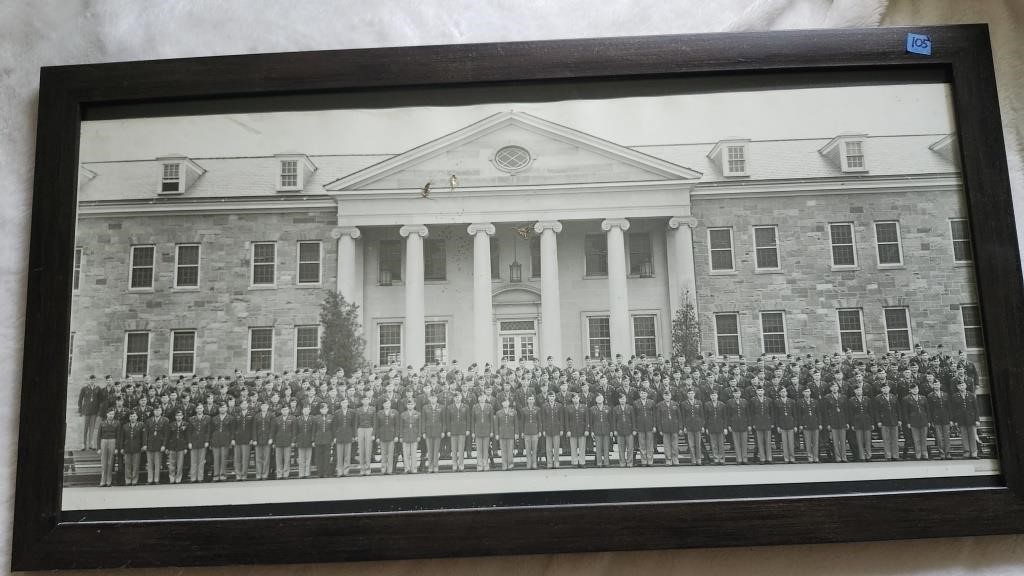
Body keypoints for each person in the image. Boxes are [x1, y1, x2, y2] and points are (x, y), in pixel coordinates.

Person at [951, 380, 980, 459]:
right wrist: (955, 421)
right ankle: (966, 453)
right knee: (964, 437)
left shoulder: (971, 395)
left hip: (971, 419)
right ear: (957, 387)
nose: (961, 387)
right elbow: (954, 410)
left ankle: (974, 453)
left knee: (972, 436)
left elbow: (976, 408)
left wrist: (977, 420)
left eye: (963, 385)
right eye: (960, 386)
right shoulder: (955, 396)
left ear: (966, 386)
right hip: (961, 419)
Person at [822, 382, 850, 463]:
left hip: (842, 421)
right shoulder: (827, 397)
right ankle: (838, 457)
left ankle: (844, 457)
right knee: (835, 441)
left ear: (838, 388)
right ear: (830, 388)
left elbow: (846, 410)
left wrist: (847, 422)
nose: (834, 388)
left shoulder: (843, 397)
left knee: (843, 441)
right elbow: (825, 412)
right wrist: (828, 424)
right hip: (833, 421)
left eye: (836, 386)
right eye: (833, 387)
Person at [874, 381, 902, 461]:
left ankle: (895, 455)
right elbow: (876, 411)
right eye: (883, 388)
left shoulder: (893, 397)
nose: (885, 389)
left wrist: (899, 419)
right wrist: (878, 421)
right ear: (881, 389)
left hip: (894, 420)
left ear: (889, 389)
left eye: (886, 388)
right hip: (884, 421)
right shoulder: (878, 398)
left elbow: (898, 409)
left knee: (895, 439)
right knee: (886, 439)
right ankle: (888, 455)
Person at [902, 383, 930, 460]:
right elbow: (905, 412)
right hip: (913, 421)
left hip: (923, 420)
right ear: (910, 390)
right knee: (916, 439)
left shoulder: (923, 398)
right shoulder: (906, 399)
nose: (915, 390)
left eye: (916, 389)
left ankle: (924, 453)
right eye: (913, 389)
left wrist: (928, 421)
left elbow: (927, 410)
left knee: (924, 438)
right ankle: (918, 454)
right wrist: (908, 422)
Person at [927, 378, 953, 460]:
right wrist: (931, 421)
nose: (936, 386)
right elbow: (929, 410)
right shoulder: (930, 396)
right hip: (936, 419)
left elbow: (949, 408)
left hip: (946, 418)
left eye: (937, 384)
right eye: (935, 385)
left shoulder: (945, 395)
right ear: (933, 386)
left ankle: (948, 453)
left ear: (940, 385)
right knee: (939, 437)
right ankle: (941, 453)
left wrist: (951, 419)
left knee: (946, 437)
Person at [142, 405, 168, 484]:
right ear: (153, 412)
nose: (157, 412)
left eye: (159, 410)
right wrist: (145, 444)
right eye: (156, 410)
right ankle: (150, 479)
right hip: (150, 444)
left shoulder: (165, 420)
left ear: (161, 411)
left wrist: (164, 445)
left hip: (159, 444)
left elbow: (166, 434)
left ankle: (156, 479)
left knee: (157, 463)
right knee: (150, 463)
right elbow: (145, 433)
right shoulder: (149, 420)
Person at [446, 392, 471, 472]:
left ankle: (461, 464)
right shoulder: (450, 407)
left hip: (462, 430)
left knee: (461, 449)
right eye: (456, 397)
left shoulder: (466, 407)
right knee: (453, 449)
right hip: (453, 430)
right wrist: (449, 430)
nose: (457, 398)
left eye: (458, 397)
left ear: (461, 397)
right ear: (454, 398)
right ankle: (454, 464)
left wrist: (467, 429)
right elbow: (448, 420)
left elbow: (468, 419)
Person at [187, 403, 212, 483]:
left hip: (202, 441)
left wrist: (207, 441)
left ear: (203, 409)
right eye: (198, 408)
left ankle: (200, 477)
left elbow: (208, 431)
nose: (199, 410)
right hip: (194, 442)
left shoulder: (207, 418)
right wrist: (189, 442)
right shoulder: (191, 419)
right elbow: (189, 432)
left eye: (200, 408)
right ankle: (193, 478)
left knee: (201, 461)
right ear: (195, 410)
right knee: (193, 461)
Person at [210, 403, 234, 482]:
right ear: (218, 409)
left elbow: (232, 431)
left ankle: (223, 474)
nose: (222, 409)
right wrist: (211, 442)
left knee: (224, 458)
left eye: (223, 407)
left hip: (226, 440)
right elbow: (211, 431)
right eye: (220, 407)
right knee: (216, 458)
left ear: (226, 408)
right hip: (215, 441)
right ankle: (216, 475)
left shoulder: (230, 418)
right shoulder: (214, 418)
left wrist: (231, 440)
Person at [251, 401, 275, 480]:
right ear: (260, 407)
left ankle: (264, 474)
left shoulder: (271, 415)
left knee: (266, 458)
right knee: (258, 458)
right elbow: (254, 429)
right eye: (262, 406)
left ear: (267, 407)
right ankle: (258, 474)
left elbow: (272, 428)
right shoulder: (257, 416)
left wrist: (271, 438)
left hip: (267, 439)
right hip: (258, 440)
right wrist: (254, 439)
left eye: (265, 406)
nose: (264, 407)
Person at [332, 398, 356, 477]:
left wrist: (353, 435)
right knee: (339, 455)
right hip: (339, 435)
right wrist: (335, 436)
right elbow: (334, 425)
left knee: (347, 455)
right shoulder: (337, 412)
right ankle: (339, 471)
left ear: (347, 403)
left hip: (348, 434)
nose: (344, 404)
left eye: (346, 402)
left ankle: (346, 471)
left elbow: (353, 425)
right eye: (343, 402)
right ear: (341, 404)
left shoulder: (352, 412)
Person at [848, 387, 874, 462]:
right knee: (859, 441)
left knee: (868, 440)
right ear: (854, 391)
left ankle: (869, 456)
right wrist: (852, 424)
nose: (859, 392)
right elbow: (851, 414)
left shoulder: (867, 399)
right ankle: (862, 456)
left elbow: (870, 411)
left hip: (867, 421)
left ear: (862, 391)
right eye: (857, 390)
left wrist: (872, 423)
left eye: (860, 390)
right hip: (857, 422)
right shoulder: (851, 400)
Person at [726, 388, 751, 464]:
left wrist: (749, 424)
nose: (737, 394)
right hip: (734, 424)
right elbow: (728, 415)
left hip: (744, 424)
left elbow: (748, 414)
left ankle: (744, 458)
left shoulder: (745, 401)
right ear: (733, 394)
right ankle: (739, 459)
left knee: (744, 442)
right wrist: (729, 425)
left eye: (738, 393)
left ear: (740, 394)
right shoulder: (729, 402)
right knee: (736, 443)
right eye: (735, 393)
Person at [120, 411, 145, 486]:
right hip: (127, 447)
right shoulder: (125, 426)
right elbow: (122, 438)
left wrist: (143, 445)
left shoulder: (141, 425)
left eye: (134, 416)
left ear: (137, 417)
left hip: (137, 447)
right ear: (129, 418)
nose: (132, 418)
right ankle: (128, 480)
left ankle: (134, 480)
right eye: (131, 416)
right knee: (127, 465)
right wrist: (121, 448)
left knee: (135, 465)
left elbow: (143, 437)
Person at [680, 388, 705, 466]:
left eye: (692, 393)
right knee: (691, 444)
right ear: (687, 395)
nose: (691, 395)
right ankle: (693, 459)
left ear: (694, 394)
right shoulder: (684, 403)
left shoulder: (699, 402)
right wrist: (684, 427)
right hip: (689, 426)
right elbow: (683, 416)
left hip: (698, 426)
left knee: (698, 444)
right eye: (689, 393)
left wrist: (702, 426)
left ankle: (699, 459)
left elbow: (702, 415)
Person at [422, 394, 445, 473]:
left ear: (437, 398)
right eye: (431, 398)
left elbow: (443, 420)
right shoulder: (425, 407)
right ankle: (430, 466)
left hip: (438, 431)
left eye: (434, 398)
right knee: (430, 450)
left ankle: (435, 466)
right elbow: (423, 420)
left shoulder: (441, 407)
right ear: (429, 398)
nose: (433, 399)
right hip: (428, 431)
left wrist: (443, 431)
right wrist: (423, 432)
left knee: (436, 450)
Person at [704, 389, 728, 465]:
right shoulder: (707, 404)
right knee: (713, 444)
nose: (713, 397)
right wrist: (706, 428)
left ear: (717, 396)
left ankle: (722, 459)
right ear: (710, 396)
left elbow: (725, 417)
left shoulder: (722, 404)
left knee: (721, 444)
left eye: (714, 395)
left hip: (720, 426)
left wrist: (725, 428)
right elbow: (706, 417)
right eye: (712, 396)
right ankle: (716, 458)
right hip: (711, 426)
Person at [97, 407, 120, 487]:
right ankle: (103, 481)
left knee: (110, 462)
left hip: (112, 441)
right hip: (104, 441)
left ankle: (108, 481)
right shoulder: (102, 423)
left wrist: (117, 447)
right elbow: (98, 436)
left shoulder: (117, 423)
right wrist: (98, 448)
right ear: (107, 414)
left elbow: (118, 436)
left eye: (112, 414)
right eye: (110, 414)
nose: (111, 415)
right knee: (104, 462)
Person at [272, 404, 297, 479]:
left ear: (288, 410)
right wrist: (274, 442)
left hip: (288, 441)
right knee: (278, 459)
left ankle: (286, 473)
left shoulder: (293, 418)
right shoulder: (277, 419)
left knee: (287, 459)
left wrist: (293, 441)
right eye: (283, 410)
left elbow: (294, 431)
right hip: (278, 441)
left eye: (286, 410)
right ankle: (279, 474)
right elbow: (273, 432)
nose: (285, 411)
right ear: (281, 411)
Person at [540, 392, 564, 469]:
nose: (551, 398)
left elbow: (561, 418)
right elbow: (543, 419)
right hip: (548, 429)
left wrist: (561, 429)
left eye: (553, 396)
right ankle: (549, 463)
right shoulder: (544, 406)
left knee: (556, 447)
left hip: (556, 429)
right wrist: (543, 430)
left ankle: (556, 462)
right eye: (550, 396)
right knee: (548, 448)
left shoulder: (559, 406)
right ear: (548, 397)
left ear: (555, 397)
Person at [471, 394, 494, 471]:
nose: (482, 398)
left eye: (483, 397)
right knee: (479, 449)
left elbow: (491, 420)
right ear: (478, 398)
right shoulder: (475, 407)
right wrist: (473, 432)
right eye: (480, 397)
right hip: (478, 431)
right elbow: (473, 420)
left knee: (485, 449)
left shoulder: (489, 406)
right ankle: (479, 465)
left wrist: (491, 431)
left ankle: (486, 464)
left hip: (487, 431)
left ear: (485, 398)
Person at [773, 387, 797, 464]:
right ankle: (786, 458)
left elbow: (795, 415)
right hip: (782, 424)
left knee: (791, 442)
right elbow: (776, 415)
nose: (783, 393)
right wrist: (778, 426)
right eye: (781, 392)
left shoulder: (792, 401)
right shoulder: (776, 402)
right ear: (779, 393)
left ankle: (792, 458)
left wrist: (795, 425)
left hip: (790, 424)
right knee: (785, 442)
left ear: (786, 393)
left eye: (784, 392)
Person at [749, 387, 773, 464]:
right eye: (758, 390)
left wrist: (772, 423)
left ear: (764, 391)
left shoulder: (769, 400)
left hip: (767, 422)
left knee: (768, 441)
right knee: (760, 442)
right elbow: (751, 413)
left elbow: (772, 413)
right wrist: (753, 423)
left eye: (761, 390)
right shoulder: (753, 400)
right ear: (756, 391)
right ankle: (762, 458)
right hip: (758, 423)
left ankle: (769, 458)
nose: (760, 391)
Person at [612, 393, 636, 467]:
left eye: (624, 399)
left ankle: (629, 462)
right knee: (621, 448)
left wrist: (634, 429)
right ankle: (622, 462)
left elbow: (633, 420)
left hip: (629, 431)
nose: (622, 400)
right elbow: (614, 420)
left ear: (626, 399)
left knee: (630, 448)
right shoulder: (615, 408)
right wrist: (615, 430)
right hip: (620, 431)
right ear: (619, 400)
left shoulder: (630, 408)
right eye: (621, 399)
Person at [165, 408, 189, 484]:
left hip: (181, 446)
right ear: (175, 417)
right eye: (177, 415)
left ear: (182, 416)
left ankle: (178, 478)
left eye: (180, 415)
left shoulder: (186, 424)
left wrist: (185, 447)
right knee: (172, 464)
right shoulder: (171, 424)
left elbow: (187, 437)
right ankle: (171, 478)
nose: (178, 417)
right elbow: (168, 437)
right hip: (172, 446)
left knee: (180, 464)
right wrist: (167, 447)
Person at [376, 398, 399, 474]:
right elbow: (377, 426)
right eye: (385, 404)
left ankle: (389, 470)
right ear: (383, 405)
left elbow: (397, 425)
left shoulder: (394, 412)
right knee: (383, 454)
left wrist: (396, 436)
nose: (387, 405)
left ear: (390, 404)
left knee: (390, 454)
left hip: (391, 435)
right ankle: (383, 469)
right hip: (382, 435)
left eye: (388, 403)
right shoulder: (379, 413)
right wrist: (378, 437)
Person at [634, 388, 657, 467]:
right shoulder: (636, 403)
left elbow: (654, 415)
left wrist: (654, 426)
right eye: (642, 393)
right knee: (642, 445)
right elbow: (634, 416)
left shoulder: (651, 402)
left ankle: (650, 460)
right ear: (640, 394)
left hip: (649, 426)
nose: (643, 395)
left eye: (644, 393)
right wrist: (635, 427)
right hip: (640, 426)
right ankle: (643, 461)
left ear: (647, 394)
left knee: (650, 444)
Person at [565, 394, 589, 468]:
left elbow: (587, 420)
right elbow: (566, 420)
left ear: (579, 398)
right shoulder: (568, 408)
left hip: (582, 429)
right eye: (574, 398)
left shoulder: (584, 407)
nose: (575, 399)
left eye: (577, 398)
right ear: (572, 399)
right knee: (573, 447)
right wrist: (568, 430)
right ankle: (574, 462)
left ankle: (582, 462)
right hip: (572, 430)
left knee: (582, 447)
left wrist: (587, 430)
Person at [354, 396, 376, 476]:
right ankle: (362, 468)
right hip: (360, 429)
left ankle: (368, 468)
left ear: (369, 400)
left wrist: (373, 434)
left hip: (369, 429)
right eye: (364, 399)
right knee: (361, 450)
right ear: (362, 401)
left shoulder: (373, 409)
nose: (366, 401)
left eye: (367, 399)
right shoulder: (358, 410)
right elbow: (356, 423)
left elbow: (374, 422)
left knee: (368, 450)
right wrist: (356, 435)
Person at [232, 399, 254, 481]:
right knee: (237, 458)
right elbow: (233, 428)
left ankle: (244, 475)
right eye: (242, 404)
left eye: (245, 404)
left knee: (245, 458)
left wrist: (252, 438)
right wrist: (233, 439)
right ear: (240, 406)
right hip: (238, 439)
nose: (244, 405)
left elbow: (253, 428)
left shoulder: (252, 414)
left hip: (247, 439)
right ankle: (238, 474)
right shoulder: (236, 415)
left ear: (247, 405)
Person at [78, 375, 102, 451]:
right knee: (84, 428)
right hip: (86, 411)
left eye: (94, 380)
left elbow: (100, 401)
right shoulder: (84, 389)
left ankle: (91, 444)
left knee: (92, 428)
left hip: (94, 412)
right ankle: (83, 444)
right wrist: (80, 410)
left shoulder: (98, 389)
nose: (92, 381)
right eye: (91, 380)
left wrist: (98, 411)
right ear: (89, 380)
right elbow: (80, 400)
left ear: (95, 380)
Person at [589, 394, 612, 468]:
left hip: (606, 430)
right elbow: (591, 421)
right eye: (597, 398)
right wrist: (592, 431)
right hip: (597, 430)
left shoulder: (608, 408)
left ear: (603, 399)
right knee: (598, 447)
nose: (599, 399)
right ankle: (599, 463)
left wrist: (611, 430)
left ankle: (606, 462)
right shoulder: (592, 409)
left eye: (600, 398)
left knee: (606, 447)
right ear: (595, 400)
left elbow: (611, 420)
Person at [495, 398, 519, 470]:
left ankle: (510, 464)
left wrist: (516, 433)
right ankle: (504, 465)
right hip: (502, 433)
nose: (505, 403)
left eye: (506, 402)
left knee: (510, 449)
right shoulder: (498, 413)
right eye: (503, 402)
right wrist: (497, 434)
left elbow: (516, 424)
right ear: (502, 404)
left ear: (508, 403)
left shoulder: (513, 412)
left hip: (510, 433)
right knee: (503, 450)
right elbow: (496, 424)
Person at [399, 399, 422, 474]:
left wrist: (419, 435)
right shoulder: (403, 414)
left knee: (414, 453)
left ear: (414, 405)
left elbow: (419, 426)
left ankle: (414, 468)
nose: (410, 406)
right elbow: (401, 426)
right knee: (406, 454)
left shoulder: (418, 414)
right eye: (409, 404)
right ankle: (407, 468)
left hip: (414, 435)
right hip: (405, 435)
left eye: (411, 404)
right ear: (406, 405)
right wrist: (401, 436)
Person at [520, 394, 542, 470]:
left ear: (534, 400)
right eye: (529, 399)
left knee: (535, 449)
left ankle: (534, 463)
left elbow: (539, 421)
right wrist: (522, 432)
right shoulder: (523, 410)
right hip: (527, 431)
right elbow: (522, 422)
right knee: (528, 449)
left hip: (535, 431)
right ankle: (528, 464)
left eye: (532, 399)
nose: (531, 401)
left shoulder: (537, 409)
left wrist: (539, 431)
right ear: (527, 400)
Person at [294, 404, 315, 478]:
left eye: (307, 410)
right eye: (305, 410)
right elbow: (296, 431)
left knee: (308, 458)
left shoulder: (312, 419)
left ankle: (307, 473)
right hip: (301, 440)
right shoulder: (298, 419)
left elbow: (313, 431)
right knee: (301, 458)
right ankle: (301, 473)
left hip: (309, 440)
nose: (306, 411)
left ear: (309, 411)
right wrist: (295, 440)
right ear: (302, 411)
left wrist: (313, 440)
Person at [313, 403, 334, 478]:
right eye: (322, 409)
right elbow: (314, 430)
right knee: (319, 457)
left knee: (327, 457)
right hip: (318, 440)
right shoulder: (316, 418)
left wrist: (332, 438)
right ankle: (320, 473)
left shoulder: (331, 417)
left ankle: (326, 473)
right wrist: (313, 440)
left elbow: (332, 429)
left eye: (325, 409)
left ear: (327, 409)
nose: (324, 410)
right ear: (320, 410)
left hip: (328, 439)